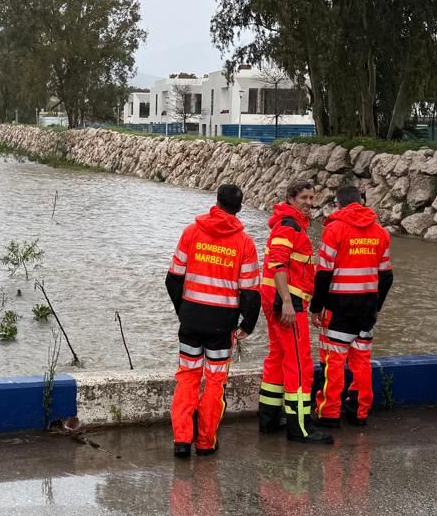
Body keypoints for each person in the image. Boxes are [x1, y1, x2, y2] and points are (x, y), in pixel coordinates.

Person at [165, 183, 261, 457]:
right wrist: (247, 324)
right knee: (215, 381)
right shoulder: (244, 243)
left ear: (216, 202)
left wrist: (183, 310)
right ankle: (206, 442)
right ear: (239, 208)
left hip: (192, 320)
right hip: (222, 325)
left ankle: (182, 441)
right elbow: (251, 291)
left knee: (187, 377)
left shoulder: (192, 232)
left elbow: (173, 278)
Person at [311, 184, 393, 426]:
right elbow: (386, 276)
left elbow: (323, 273)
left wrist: (316, 307)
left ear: (338, 204)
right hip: (367, 306)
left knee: (333, 361)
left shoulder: (334, 229)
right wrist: (376, 305)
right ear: (362, 201)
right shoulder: (381, 232)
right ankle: (359, 411)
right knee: (361, 359)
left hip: (340, 305)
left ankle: (329, 413)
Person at [258, 179, 330, 444]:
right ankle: (300, 427)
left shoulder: (286, 224)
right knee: (299, 364)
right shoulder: (289, 226)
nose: (309, 203)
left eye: (312, 198)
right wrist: (288, 302)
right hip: (289, 304)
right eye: (304, 198)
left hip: (276, 301)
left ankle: (268, 419)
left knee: (277, 358)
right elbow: (278, 264)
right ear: (290, 198)